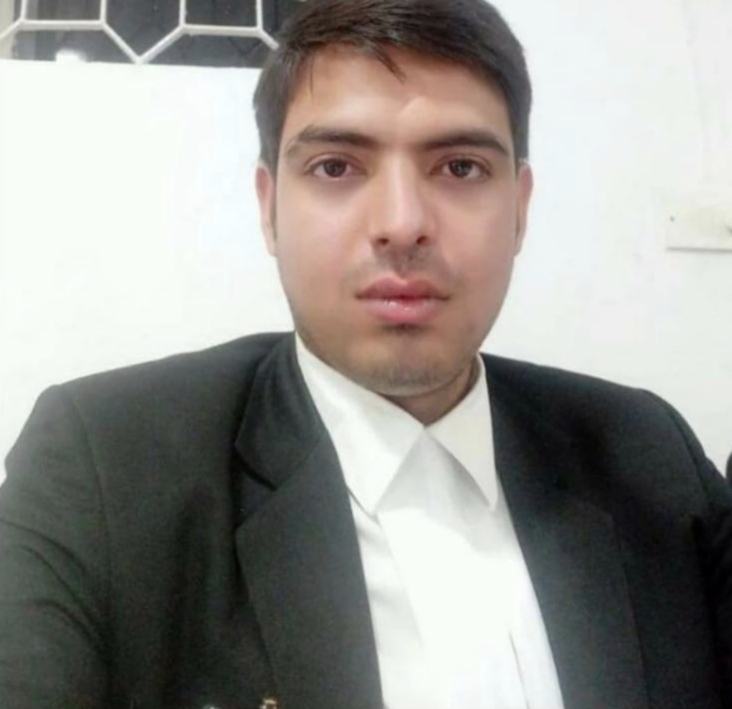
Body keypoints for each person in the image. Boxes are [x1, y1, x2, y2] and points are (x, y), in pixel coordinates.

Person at [0, 0, 730, 707]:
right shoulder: (102, 470)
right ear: (268, 207)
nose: (402, 224)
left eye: (460, 168)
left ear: (520, 208)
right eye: (336, 167)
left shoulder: (648, 454)